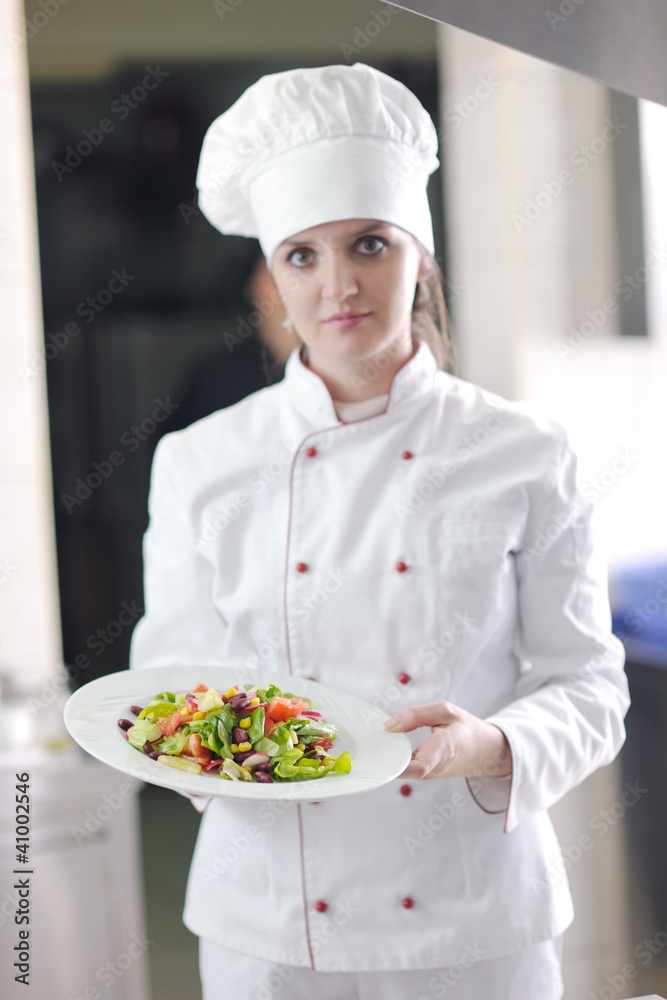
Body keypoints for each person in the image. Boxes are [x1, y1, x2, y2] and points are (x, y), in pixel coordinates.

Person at [129, 63, 630, 1000]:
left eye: (369, 244)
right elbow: (173, 691)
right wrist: (225, 752)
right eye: (302, 257)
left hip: (474, 913)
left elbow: (587, 683)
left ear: (421, 257)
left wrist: (492, 746)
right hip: (269, 918)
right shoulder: (200, 461)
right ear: (271, 277)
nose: (338, 286)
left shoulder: (523, 450)